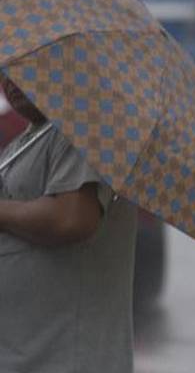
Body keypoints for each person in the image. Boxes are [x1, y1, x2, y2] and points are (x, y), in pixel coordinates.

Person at [0, 73, 137, 373]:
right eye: (5, 66)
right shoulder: (29, 140)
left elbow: (71, 218)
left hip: (65, 359)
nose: (10, 79)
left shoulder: (87, 127)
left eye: (25, 64)